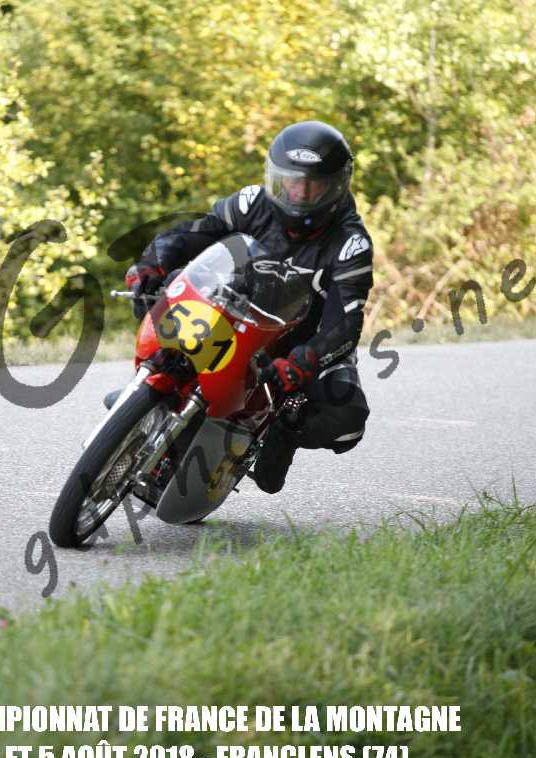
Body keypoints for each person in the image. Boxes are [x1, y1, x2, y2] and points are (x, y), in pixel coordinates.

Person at [124, 120, 373, 494]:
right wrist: (149, 265)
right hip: (232, 309)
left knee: (348, 416)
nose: (299, 193)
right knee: (169, 286)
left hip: (298, 343)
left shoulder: (352, 243)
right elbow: (191, 234)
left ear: (337, 186)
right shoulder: (252, 201)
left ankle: (283, 430)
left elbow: (345, 324)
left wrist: (303, 362)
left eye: (314, 185)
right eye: (291, 182)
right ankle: (150, 387)